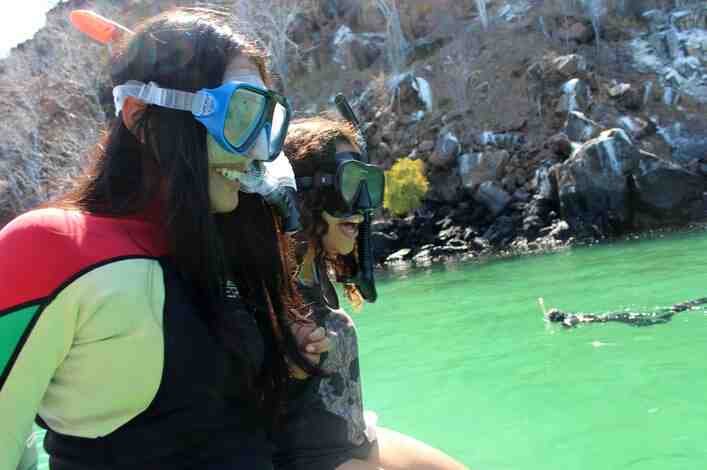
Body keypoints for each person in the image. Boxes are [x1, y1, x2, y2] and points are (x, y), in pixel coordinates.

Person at [0, 8, 325, 469]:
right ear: (140, 118)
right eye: (238, 116)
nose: (257, 149)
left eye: (264, 121)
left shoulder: (225, 246)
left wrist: (279, 349)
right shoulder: (50, 247)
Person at [273, 116, 469, 470]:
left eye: (367, 186)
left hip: (355, 442)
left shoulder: (314, 268)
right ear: (305, 191)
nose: (362, 208)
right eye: (350, 183)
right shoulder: (272, 287)